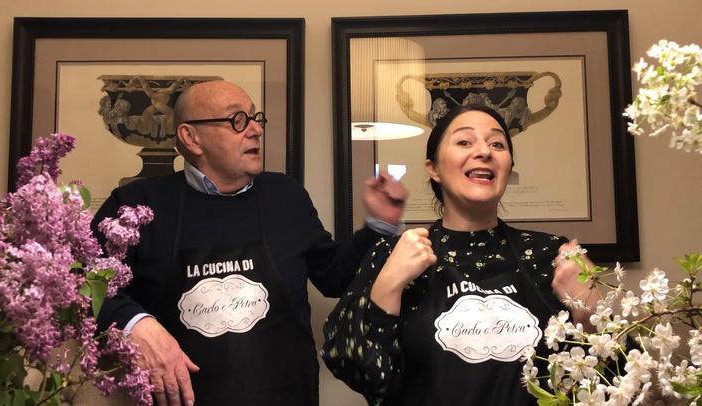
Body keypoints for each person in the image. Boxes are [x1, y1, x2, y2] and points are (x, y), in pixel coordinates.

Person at [92, 79, 407, 406]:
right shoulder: (136, 206)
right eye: (237, 120)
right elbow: (83, 285)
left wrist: (379, 225)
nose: (256, 129)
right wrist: (136, 325)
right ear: (191, 137)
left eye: (255, 118)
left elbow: (333, 276)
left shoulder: (285, 195)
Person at [321, 104, 601, 405]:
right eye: (465, 141)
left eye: (497, 144)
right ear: (433, 168)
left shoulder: (551, 255)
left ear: (508, 167)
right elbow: (364, 375)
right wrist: (388, 285)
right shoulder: (392, 254)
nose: (484, 151)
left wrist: (590, 314)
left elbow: (604, 381)